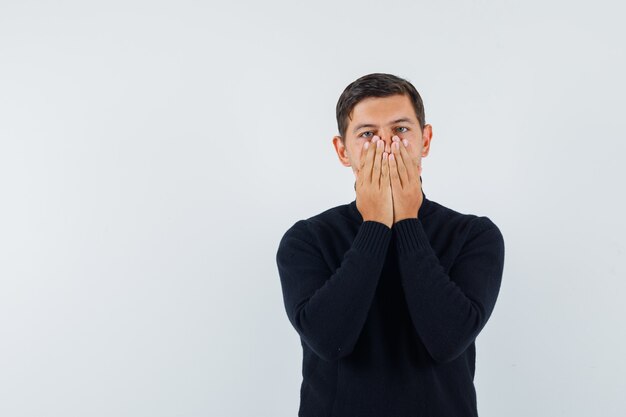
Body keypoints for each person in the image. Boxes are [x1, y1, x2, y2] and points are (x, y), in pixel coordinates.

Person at [275, 73, 505, 417]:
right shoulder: (307, 240)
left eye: (401, 130)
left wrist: (407, 221)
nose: (386, 145)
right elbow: (329, 340)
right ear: (343, 151)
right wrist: (376, 224)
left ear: (425, 140)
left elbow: (447, 341)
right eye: (368, 134)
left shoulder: (473, 235)